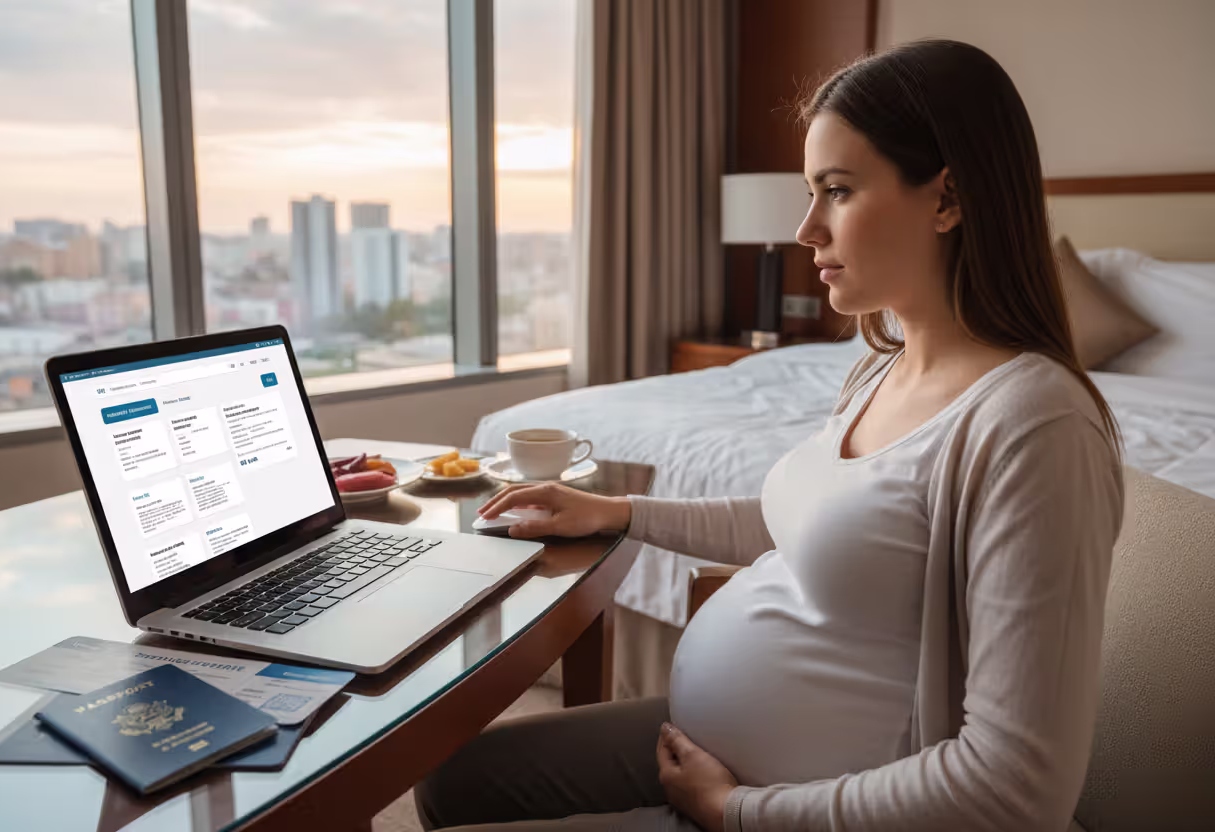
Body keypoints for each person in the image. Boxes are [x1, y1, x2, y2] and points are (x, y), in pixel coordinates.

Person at [416, 39, 1123, 832]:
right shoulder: (879, 368)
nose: (806, 228)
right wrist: (621, 513)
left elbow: (1016, 792)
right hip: (719, 758)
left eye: (838, 191)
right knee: (449, 783)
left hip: (791, 807)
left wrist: (734, 810)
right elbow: (809, 524)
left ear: (947, 198)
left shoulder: (1033, 425)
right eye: (811, 193)